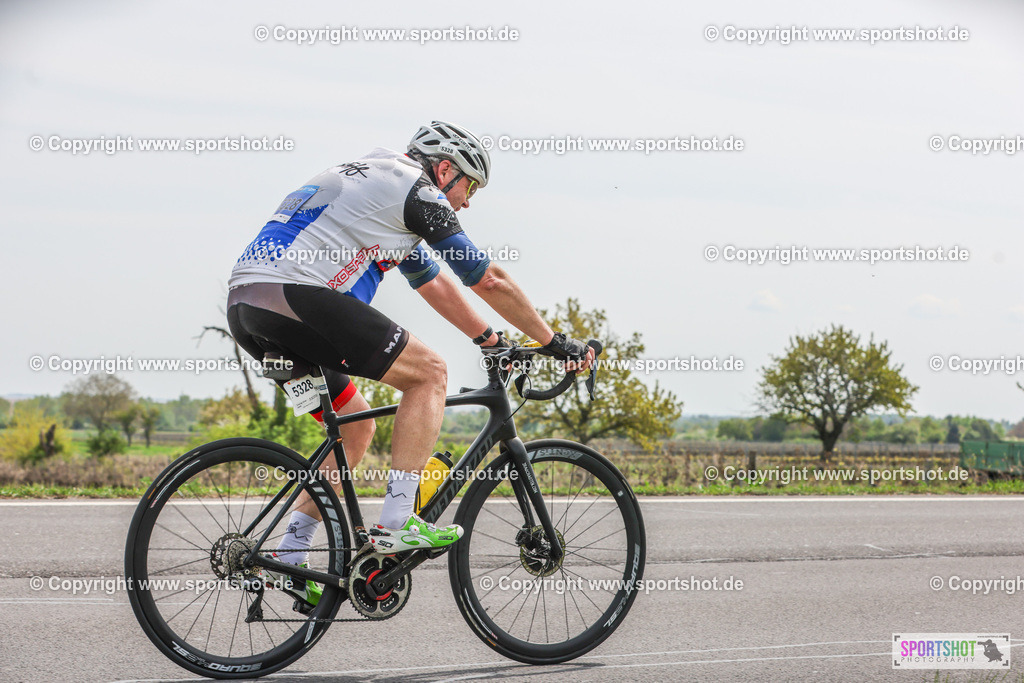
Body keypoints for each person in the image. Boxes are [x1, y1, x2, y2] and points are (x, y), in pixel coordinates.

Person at [225, 121, 593, 604]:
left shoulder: (378, 187)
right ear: (445, 170)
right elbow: (486, 279)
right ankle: (396, 522)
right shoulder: (415, 190)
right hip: (298, 297)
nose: (467, 202)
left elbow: (433, 282)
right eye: (469, 186)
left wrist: (490, 339)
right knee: (430, 374)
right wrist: (554, 341)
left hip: (248, 307)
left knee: (355, 429)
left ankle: (290, 556)